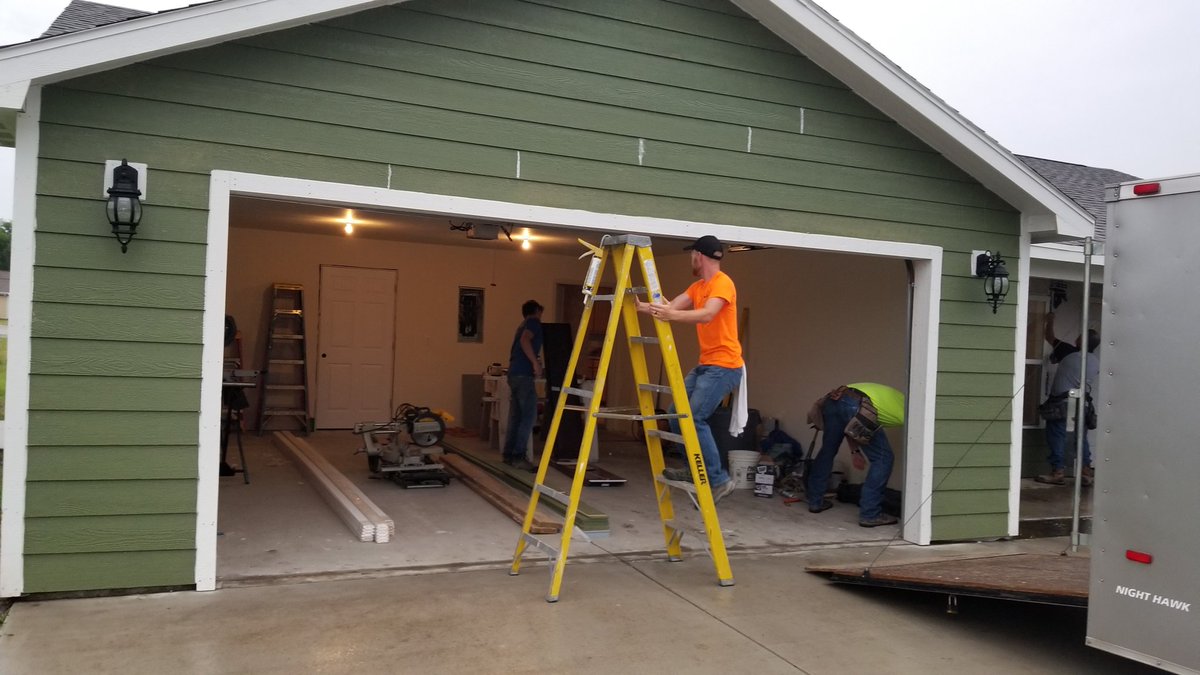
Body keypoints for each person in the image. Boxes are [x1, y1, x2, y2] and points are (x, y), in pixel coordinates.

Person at [636, 235, 744, 504]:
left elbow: (707, 314)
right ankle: (695, 470)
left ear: (700, 256)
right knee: (675, 412)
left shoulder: (723, 283)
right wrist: (641, 307)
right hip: (707, 365)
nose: (690, 260)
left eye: (691, 255)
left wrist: (671, 316)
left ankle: (718, 480)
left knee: (694, 417)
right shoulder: (698, 286)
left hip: (725, 366)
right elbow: (669, 307)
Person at [806, 383, 905, 528]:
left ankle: (815, 502)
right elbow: (856, 417)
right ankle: (870, 514)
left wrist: (855, 451)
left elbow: (850, 427)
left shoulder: (897, 401)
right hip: (856, 404)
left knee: (828, 451)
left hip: (833, 400)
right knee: (883, 458)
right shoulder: (907, 411)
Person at [1036, 312, 1100, 486]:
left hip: (1065, 403)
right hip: (1083, 404)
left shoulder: (1068, 352)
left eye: (1079, 337)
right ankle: (1086, 472)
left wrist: (1050, 320)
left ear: (1082, 342)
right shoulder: (1096, 361)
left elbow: (1049, 337)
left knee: (1057, 434)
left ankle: (1057, 472)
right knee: (1081, 437)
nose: (1076, 339)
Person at [502, 300, 544, 471]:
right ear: (536, 311)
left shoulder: (522, 325)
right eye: (541, 313)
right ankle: (519, 456)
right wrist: (535, 363)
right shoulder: (533, 323)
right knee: (529, 417)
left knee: (516, 417)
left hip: (514, 374)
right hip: (523, 375)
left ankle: (509, 455)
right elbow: (525, 341)